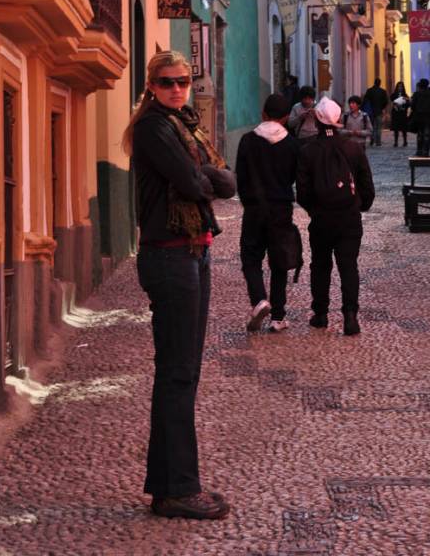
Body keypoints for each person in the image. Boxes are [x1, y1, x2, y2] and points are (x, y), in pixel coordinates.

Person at [123, 50, 236, 521]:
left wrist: (207, 178)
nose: (176, 89)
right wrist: (206, 178)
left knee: (183, 371)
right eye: (167, 82)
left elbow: (225, 181)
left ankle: (167, 485)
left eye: (183, 81)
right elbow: (193, 182)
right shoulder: (153, 127)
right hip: (170, 256)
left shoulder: (183, 125)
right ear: (151, 85)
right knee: (177, 373)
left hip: (193, 250)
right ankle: (178, 490)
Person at [296, 97, 375, 336]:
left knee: (320, 265)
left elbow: (302, 192)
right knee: (348, 266)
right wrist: (359, 206)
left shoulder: (307, 151)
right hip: (349, 218)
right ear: (339, 120)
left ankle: (320, 314)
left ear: (317, 121)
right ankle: (350, 316)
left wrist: (314, 210)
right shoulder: (353, 148)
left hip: (321, 219)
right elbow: (367, 186)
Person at [236, 93, 301, 333]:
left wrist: (247, 200)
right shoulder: (293, 145)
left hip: (254, 208)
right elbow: (295, 176)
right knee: (279, 261)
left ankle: (259, 300)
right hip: (281, 209)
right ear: (285, 118)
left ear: (263, 113)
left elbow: (240, 177)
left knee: (251, 257)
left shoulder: (247, 141)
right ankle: (278, 316)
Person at [410, 77, 430, 157]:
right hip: (428, 116)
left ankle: (419, 151)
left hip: (419, 116)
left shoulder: (416, 94)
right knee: (427, 135)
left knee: (420, 134)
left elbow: (412, 106)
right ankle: (426, 151)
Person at [362, 78, 388, 147]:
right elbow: (386, 102)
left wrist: (363, 109)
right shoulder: (382, 91)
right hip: (379, 111)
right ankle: (378, 142)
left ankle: (372, 140)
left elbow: (365, 101)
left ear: (374, 82)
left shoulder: (369, 91)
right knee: (379, 127)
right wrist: (382, 107)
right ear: (380, 83)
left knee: (372, 127)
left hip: (371, 112)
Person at [390, 81, 410, 147]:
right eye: (399, 86)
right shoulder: (393, 95)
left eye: (401, 87)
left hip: (402, 114)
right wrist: (394, 105)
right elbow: (391, 102)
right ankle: (396, 142)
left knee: (404, 129)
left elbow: (408, 103)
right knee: (396, 129)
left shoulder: (405, 95)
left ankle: (405, 141)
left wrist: (405, 107)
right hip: (396, 114)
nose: (400, 88)